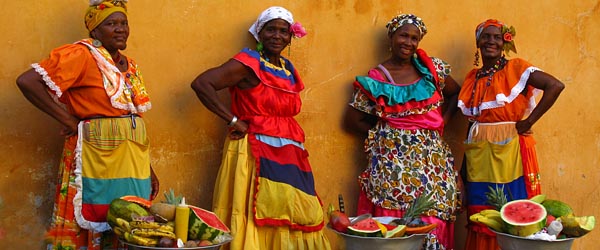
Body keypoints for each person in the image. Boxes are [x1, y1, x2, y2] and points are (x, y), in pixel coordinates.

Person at [16, 1, 159, 249]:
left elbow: (132, 119)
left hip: (131, 163)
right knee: (90, 216)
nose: (120, 29)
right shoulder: (82, 55)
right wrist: (67, 119)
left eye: (123, 23)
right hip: (93, 156)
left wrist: (147, 166)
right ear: (94, 31)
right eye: (111, 24)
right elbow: (28, 81)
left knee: (128, 221)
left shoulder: (130, 66)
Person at [190, 6, 331, 250]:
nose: (277, 36)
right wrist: (233, 120)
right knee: (253, 209)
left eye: (283, 31)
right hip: (253, 151)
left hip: (289, 152)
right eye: (271, 30)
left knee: (293, 209)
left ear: (291, 37)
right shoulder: (248, 63)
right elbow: (202, 84)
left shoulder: (287, 68)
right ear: (259, 33)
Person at [344, 14, 462, 250]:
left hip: (432, 163)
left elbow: (456, 93)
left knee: (433, 216)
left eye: (414, 38)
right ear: (391, 37)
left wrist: (441, 122)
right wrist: (386, 132)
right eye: (403, 35)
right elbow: (352, 120)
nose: (408, 42)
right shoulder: (376, 78)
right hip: (392, 165)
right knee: (393, 220)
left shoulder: (432, 70)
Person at [457, 19, 565, 249]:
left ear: (505, 42)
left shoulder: (515, 68)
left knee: (511, 212)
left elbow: (555, 85)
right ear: (478, 41)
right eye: (486, 36)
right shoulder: (472, 78)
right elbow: (471, 126)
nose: (491, 41)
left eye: (497, 37)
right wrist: (462, 173)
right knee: (482, 213)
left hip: (510, 149)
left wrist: (528, 122)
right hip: (479, 156)